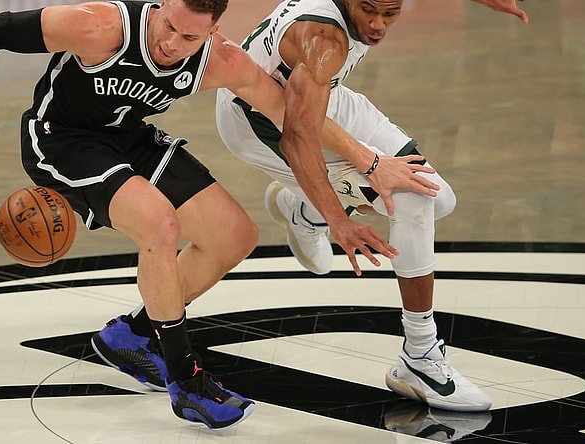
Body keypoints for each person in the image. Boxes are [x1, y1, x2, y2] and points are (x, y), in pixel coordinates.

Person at [0, 0, 433, 429]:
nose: (171, 45)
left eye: (190, 38)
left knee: (235, 234)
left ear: (214, 32)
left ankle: (131, 336)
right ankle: (185, 377)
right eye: (170, 28)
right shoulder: (103, 27)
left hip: (129, 139)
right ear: (158, 8)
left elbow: (296, 117)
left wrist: (367, 167)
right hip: (62, 141)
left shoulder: (220, 60)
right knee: (159, 224)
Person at [215, 0, 529, 412]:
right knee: (414, 200)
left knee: (439, 199)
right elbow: (297, 134)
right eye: (368, 10)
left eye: (391, 12)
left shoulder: (348, 31)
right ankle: (419, 355)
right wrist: (339, 218)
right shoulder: (323, 38)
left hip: (318, 94)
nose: (378, 24)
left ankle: (302, 206)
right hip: (260, 122)